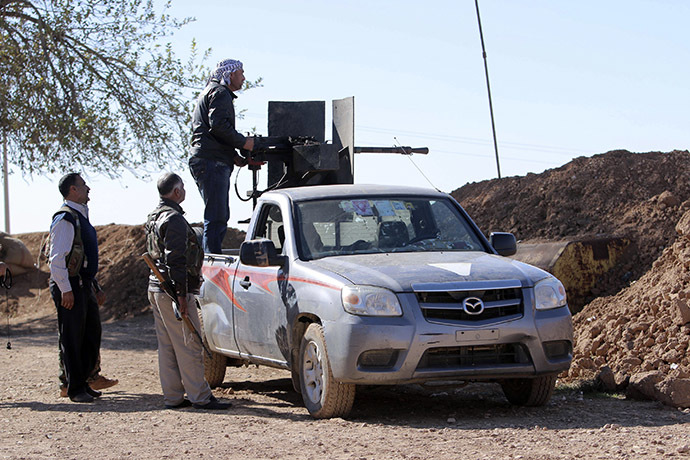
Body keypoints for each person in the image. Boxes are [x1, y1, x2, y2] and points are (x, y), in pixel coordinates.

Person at [145, 172, 231, 410]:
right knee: (189, 343)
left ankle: (173, 396)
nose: (184, 191)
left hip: (157, 287)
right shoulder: (173, 219)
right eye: (182, 187)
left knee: (168, 346)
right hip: (172, 290)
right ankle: (200, 397)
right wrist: (181, 296)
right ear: (176, 192)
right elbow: (177, 260)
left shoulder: (154, 216)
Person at [48, 173, 108, 403]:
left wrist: (94, 286)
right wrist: (66, 289)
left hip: (82, 285)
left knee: (90, 334)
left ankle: (83, 382)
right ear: (73, 190)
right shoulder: (65, 218)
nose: (88, 188)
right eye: (83, 185)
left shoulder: (80, 215)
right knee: (72, 337)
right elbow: (57, 259)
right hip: (70, 286)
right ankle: (74, 388)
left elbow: (82, 257)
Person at [188, 58, 254, 254]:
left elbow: (212, 131)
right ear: (231, 74)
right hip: (211, 162)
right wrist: (243, 142)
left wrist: (232, 155)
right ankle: (211, 263)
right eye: (241, 73)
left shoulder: (212, 92)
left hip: (208, 159)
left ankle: (210, 258)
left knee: (217, 214)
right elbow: (218, 126)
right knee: (216, 216)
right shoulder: (220, 92)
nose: (243, 78)